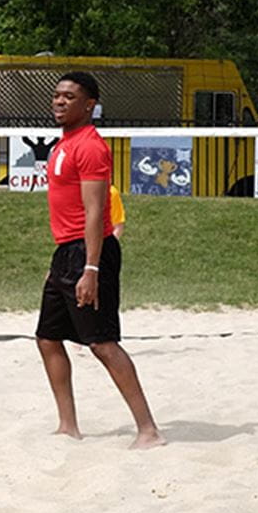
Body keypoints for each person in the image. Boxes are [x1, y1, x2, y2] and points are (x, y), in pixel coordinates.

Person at [36, 72, 164, 450]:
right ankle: (67, 425)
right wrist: (60, 262)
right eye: (56, 95)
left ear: (89, 104)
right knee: (47, 338)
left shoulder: (90, 146)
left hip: (91, 252)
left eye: (69, 96)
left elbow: (96, 212)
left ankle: (148, 430)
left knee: (102, 343)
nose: (59, 101)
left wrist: (90, 268)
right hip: (67, 252)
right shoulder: (63, 145)